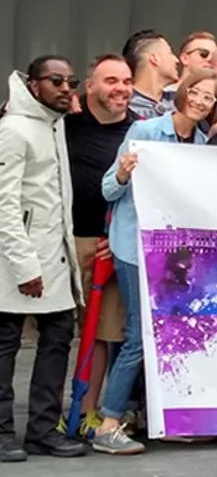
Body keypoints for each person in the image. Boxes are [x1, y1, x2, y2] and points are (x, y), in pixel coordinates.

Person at [91, 69, 217, 455]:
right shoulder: (146, 132)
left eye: (209, 98)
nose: (200, 101)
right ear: (182, 92)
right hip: (134, 245)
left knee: (166, 334)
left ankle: (162, 418)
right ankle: (109, 422)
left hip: (172, 252)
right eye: (195, 92)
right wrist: (125, 173)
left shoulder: (198, 143)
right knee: (138, 335)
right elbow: (108, 188)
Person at [0, 56, 87, 463]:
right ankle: (1, 434)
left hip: (56, 261)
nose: (66, 87)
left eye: (71, 81)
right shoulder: (14, 129)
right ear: (34, 85)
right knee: (6, 348)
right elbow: (5, 206)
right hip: (19, 265)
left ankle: (41, 431)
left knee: (57, 343)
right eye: (56, 80)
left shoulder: (54, 125)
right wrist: (25, 266)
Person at [64, 54, 138, 436]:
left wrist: (118, 236)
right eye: (110, 81)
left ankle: (87, 415)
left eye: (126, 81)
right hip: (65, 241)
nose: (121, 89)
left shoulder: (140, 130)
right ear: (89, 86)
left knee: (104, 334)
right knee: (57, 333)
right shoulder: (66, 125)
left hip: (113, 243)